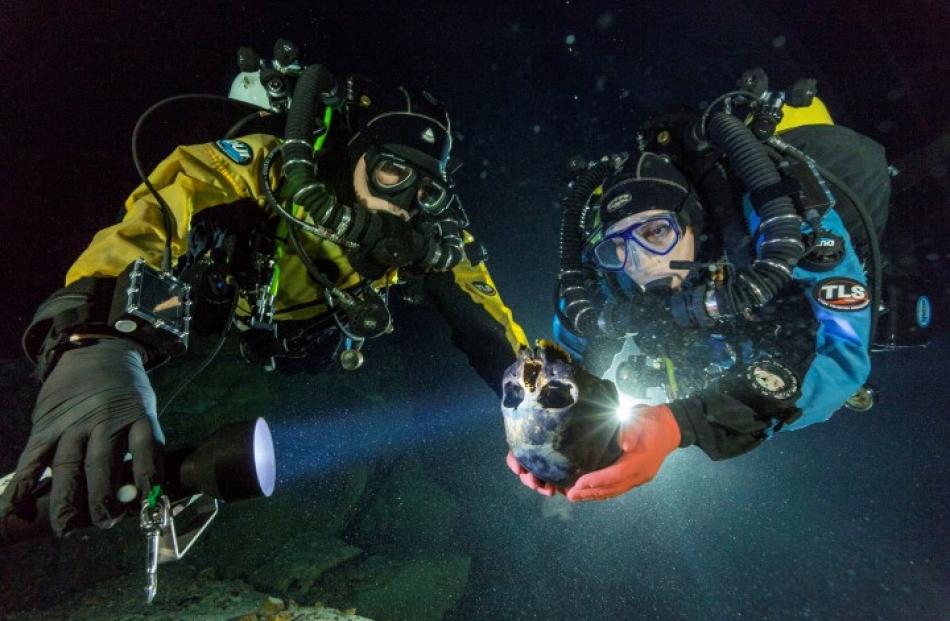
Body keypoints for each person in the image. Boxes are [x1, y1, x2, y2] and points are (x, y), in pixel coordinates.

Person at [0, 47, 527, 537]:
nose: (404, 201)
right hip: (235, 301)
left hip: (312, 336)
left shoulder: (425, 236)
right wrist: (89, 332)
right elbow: (168, 198)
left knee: (312, 361)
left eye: (425, 189)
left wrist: (551, 404)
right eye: (392, 170)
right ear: (357, 155)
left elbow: (486, 313)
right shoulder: (270, 165)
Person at [507, 80, 896, 502]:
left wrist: (684, 422)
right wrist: (536, 431)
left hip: (788, 308)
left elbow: (843, 353)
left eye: (658, 231)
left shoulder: (781, 223)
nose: (641, 260)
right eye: (619, 244)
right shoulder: (615, 266)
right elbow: (569, 350)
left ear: (693, 221)